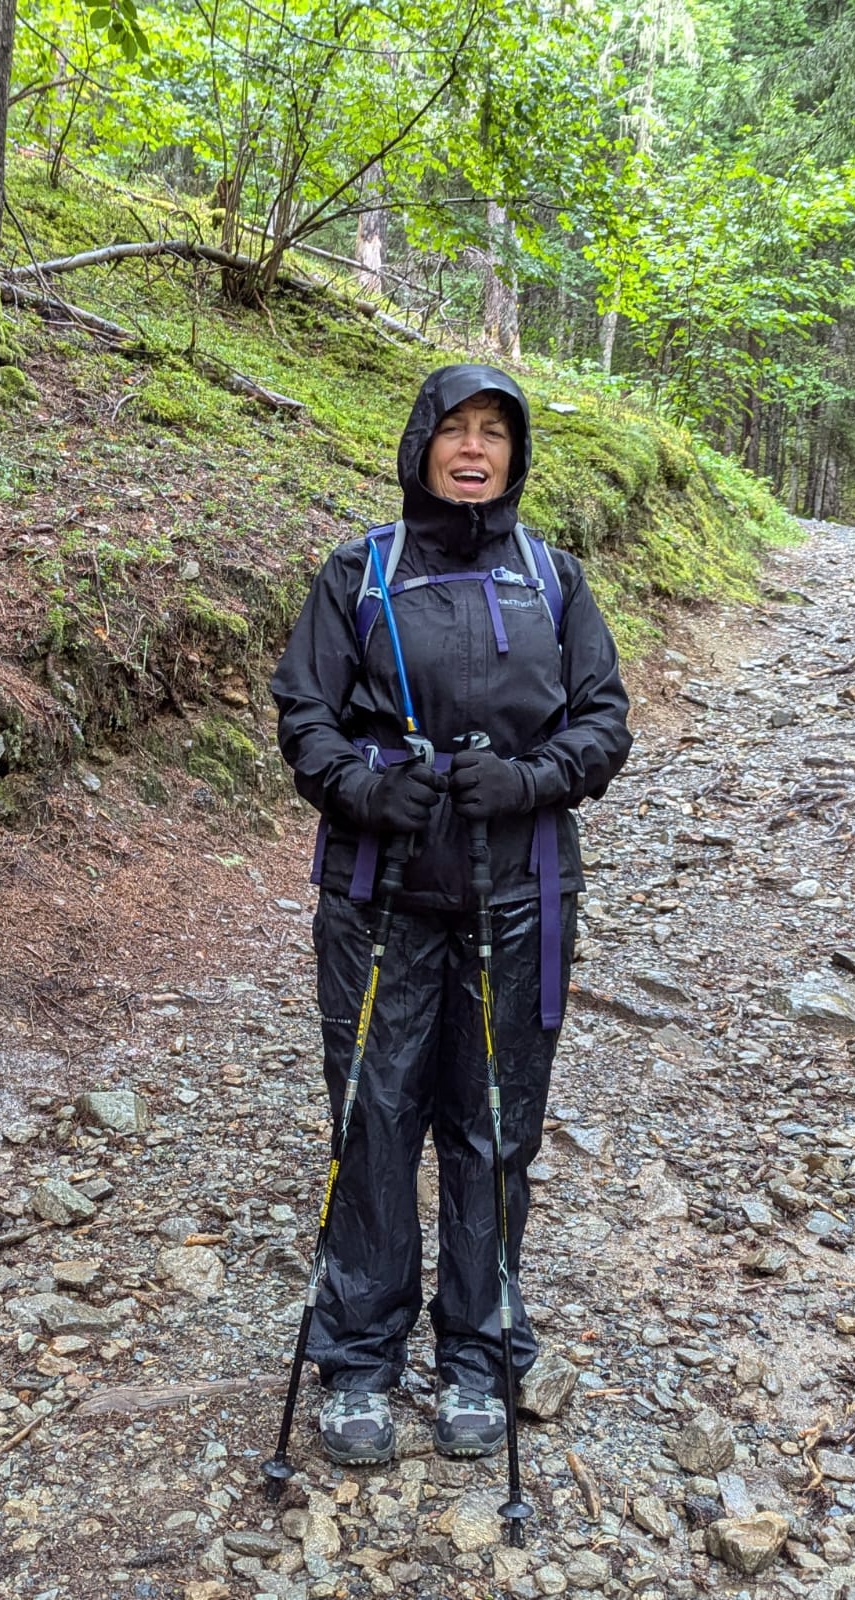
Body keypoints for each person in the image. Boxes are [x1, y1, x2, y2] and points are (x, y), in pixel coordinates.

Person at [271, 364, 632, 1466]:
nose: (474, 449)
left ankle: (478, 1351)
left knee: (492, 1125)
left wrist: (527, 781)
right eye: (455, 429)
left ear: (515, 456)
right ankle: (359, 1360)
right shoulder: (360, 572)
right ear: (421, 443)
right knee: (373, 1118)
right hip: (378, 895)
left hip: (518, 891)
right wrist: (362, 788)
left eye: (494, 433)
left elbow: (603, 723)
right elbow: (304, 712)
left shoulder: (553, 580)